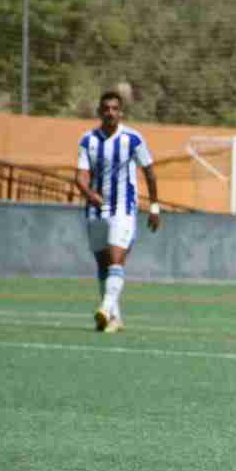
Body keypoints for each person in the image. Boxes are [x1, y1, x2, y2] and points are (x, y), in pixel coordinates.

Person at [75, 90, 159, 332]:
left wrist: (154, 206)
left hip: (123, 208)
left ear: (121, 112)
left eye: (114, 109)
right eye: (106, 109)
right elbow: (80, 176)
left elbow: (150, 173)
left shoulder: (133, 139)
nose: (110, 113)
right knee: (102, 264)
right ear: (99, 112)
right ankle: (114, 318)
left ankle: (105, 307)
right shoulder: (88, 140)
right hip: (95, 211)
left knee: (116, 259)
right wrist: (90, 194)